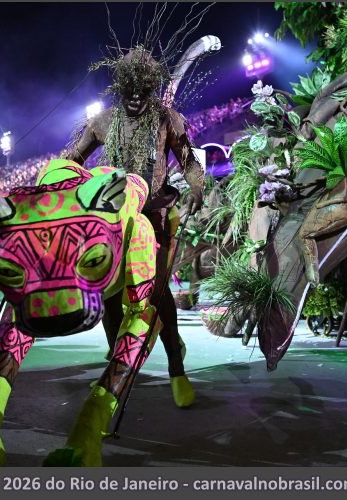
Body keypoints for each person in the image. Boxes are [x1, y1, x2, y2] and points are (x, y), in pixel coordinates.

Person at [64, 46, 204, 382]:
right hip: (113, 216)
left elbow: (189, 164)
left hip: (154, 215)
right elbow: (73, 159)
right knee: (109, 293)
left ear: (153, 88)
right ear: (120, 88)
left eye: (144, 92)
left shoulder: (167, 119)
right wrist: (60, 182)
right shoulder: (102, 121)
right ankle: (119, 362)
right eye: (131, 92)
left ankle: (176, 365)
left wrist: (197, 188)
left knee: (155, 290)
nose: (137, 99)